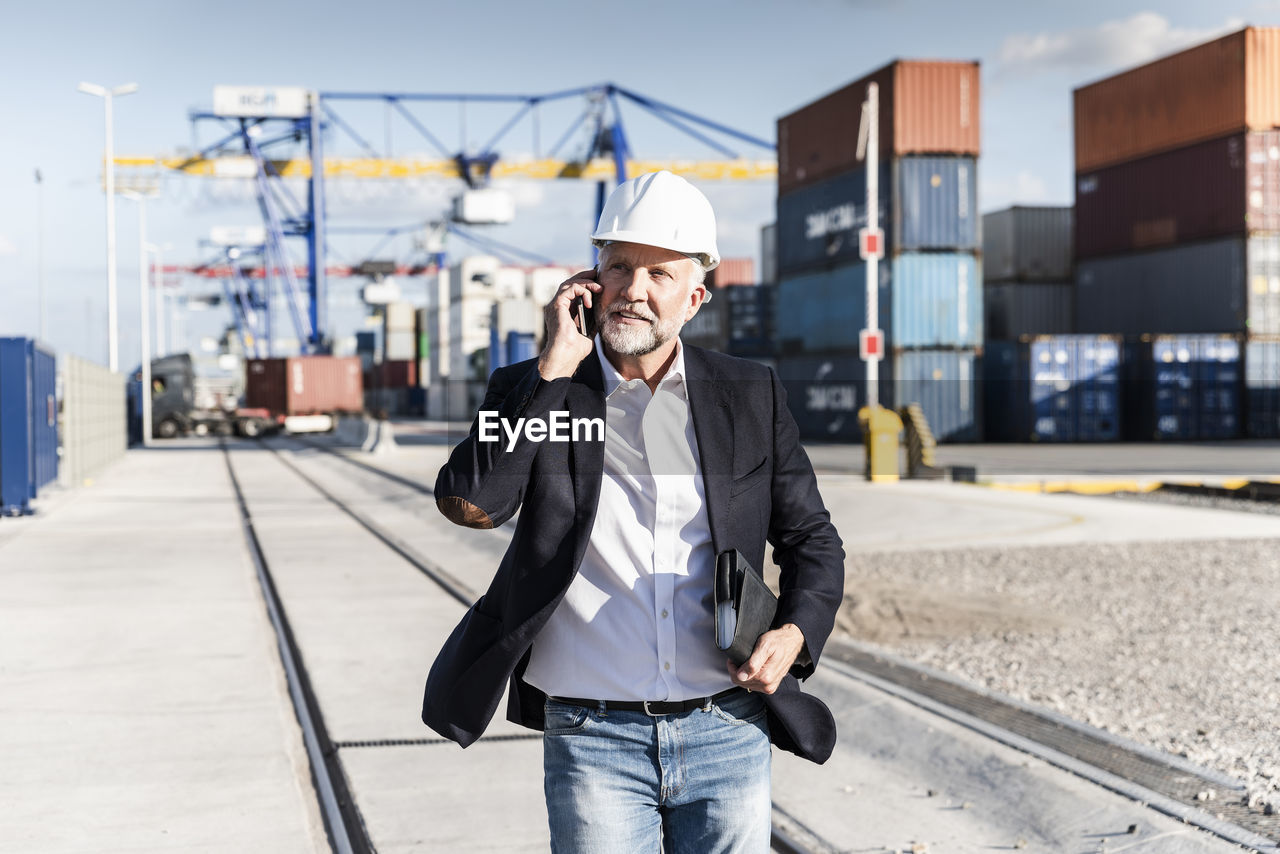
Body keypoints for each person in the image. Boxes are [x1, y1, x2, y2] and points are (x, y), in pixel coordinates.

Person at [423, 171, 845, 853]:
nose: (635, 289)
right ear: (592, 278)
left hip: (728, 729)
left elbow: (812, 540)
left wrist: (795, 632)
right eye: (619, 266)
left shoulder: (749, 393)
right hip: (593, 739)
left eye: (660, 274)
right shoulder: (534, 391)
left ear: (694, 297)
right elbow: (473, 504)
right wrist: (554, 370)